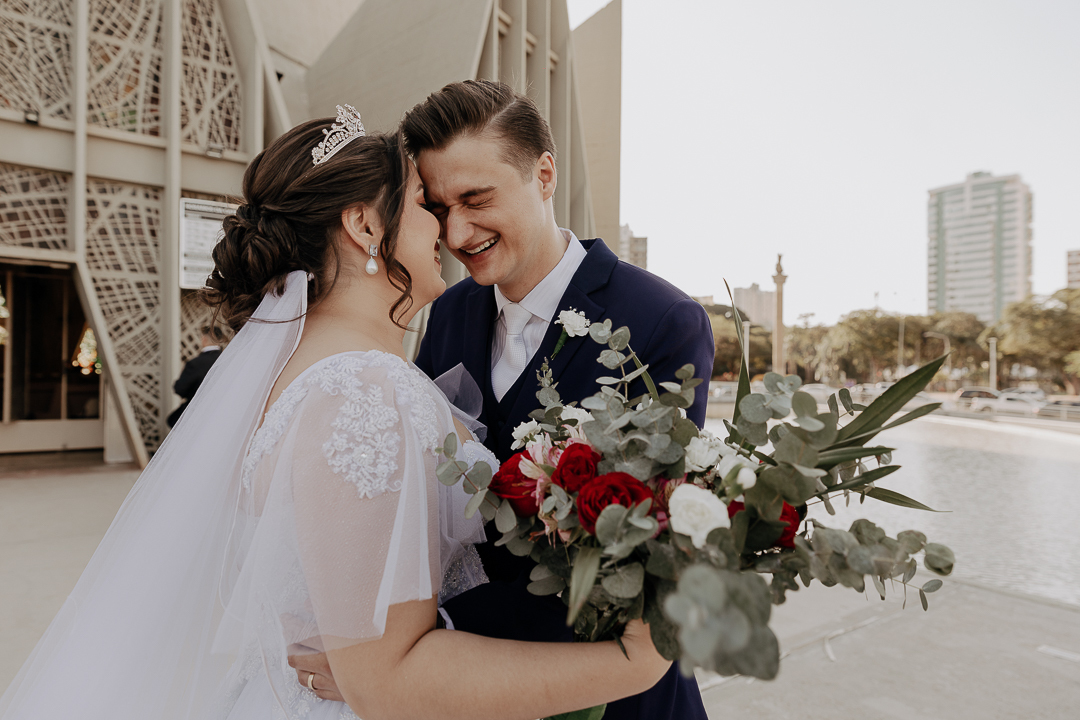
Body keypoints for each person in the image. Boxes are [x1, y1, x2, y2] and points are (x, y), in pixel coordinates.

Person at [0, 107, 671, 720]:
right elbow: (388, 681)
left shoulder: (308, 374)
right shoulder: (363, 392)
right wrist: (630, 664)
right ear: (363, 225)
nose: (446, 227)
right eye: (423, 204)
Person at [293, 81, 714, 720]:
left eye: (476, 198)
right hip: (462, 691)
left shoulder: (660, 319)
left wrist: (414, 643)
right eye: (437, 206)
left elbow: (639, 552)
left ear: (544, 174)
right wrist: (372, 641)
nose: (457, 231)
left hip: (608, 692)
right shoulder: (447, 309)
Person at [166, 326, 223, 427]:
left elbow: (179, 389)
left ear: (204, 339)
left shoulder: (195, 364)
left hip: (196, 415)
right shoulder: (228, 360)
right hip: (221, 413)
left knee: (173, 420)